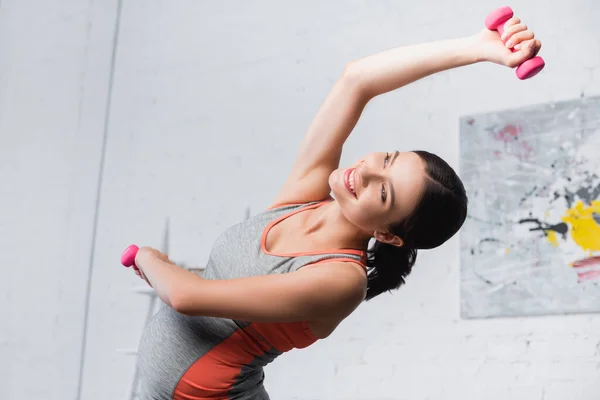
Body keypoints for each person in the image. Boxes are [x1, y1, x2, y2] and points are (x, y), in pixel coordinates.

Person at [128, 15, 541, 400]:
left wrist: (151, 258)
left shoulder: (341, 280)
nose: (364, 173)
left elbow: (186, 296)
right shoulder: (305, 196)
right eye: (388, 159)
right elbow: (357, 79)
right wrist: (477, 47)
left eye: (383, 194)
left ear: (387, 235)